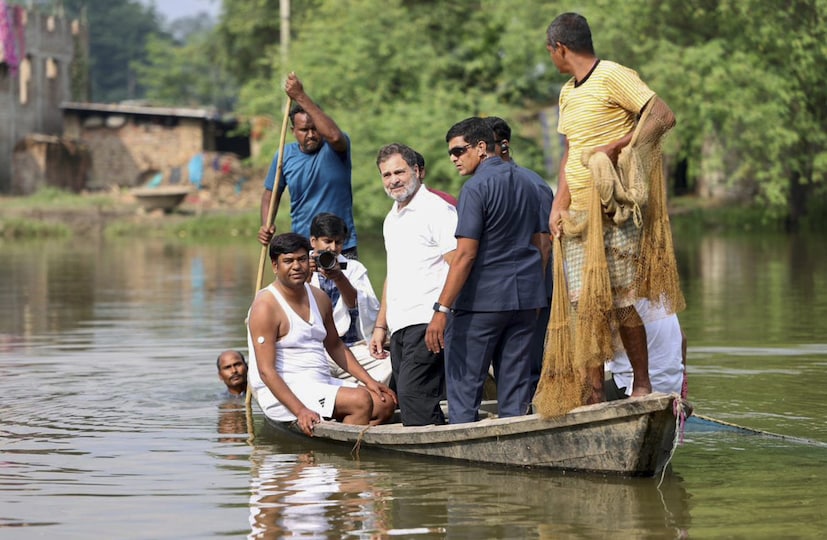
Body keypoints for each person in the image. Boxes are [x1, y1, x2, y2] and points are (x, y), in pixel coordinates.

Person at [545, 12, 677, 402]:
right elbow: (571, 152)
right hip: (579, 213)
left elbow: (662, 115)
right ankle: (592, 393)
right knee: (583, 304)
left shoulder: (614, 75)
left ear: (560, 49)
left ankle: (641, 383)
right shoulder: (568, 92)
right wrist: (559, 201)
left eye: (550, 52)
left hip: (613, 208)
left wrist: (616, 147)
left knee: (618, 300)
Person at [425, 117, 547, 424]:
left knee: (465, 386)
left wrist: (441, 309)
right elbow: (541, 245)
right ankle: (516, 452)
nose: (454, 158)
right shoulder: (529, 182)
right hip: (526, 301)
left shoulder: (475, 188)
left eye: (459, 150)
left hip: (482, 303)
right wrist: (533, 290)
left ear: (481, 147)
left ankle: (464, 457)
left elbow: (465, 255)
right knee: (516, 388)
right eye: (450, 153)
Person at [246, 233, 396, 436]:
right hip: (283, 391)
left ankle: (342, 437)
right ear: (275, 265)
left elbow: (335, 345)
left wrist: (371, 382)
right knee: (360, 401)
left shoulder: (319, 298)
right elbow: (266, 372)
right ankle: (346, 461)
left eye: (301, 259)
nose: (297, 267)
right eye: (288, 261)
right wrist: (300, 411)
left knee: (385, 404)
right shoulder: (265, 306)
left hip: (318, 382)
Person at [369, 143, 457, 426]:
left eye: (399, 172)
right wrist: (381, 326)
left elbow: (459, 263)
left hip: (428, 320)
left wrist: (442, 313)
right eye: (386, 174)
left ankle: (437, 465)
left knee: (414, 397)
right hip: (400, 325)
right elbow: (393, 275)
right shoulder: (391, 219)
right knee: (409, 400)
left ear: (417, 171)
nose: (393, 180)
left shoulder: (436, 210)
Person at [484, 116, 554, 396]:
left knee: (527, 368)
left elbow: (544, 244)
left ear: (503, 145)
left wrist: (534, 295)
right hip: (500, 295)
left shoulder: (530, 184)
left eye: (485, 145)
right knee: (506, 369)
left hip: (530, 294)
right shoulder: (485, 184)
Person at [258, 72, 358, 258]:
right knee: (307, 288)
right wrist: (266, 224)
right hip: (304, 247)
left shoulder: (337, 148)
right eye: (304, 130)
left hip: (341, 245)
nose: (311, 134)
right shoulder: (283, 155)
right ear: (293, 131)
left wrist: (300, 96)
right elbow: (270, 196)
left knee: (343, 287)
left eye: (315, 129)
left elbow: (335, 136)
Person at [308, 212, 392, 386]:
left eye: (338, 242)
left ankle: (363, 397)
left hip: (350, 347)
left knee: (388, 363)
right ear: (313, 241)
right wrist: (306, 276)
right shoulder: (299, 265)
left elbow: (357, 304)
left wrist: (339, 277)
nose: (332, 248)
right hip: (315, 348)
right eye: (327, 241)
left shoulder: (353, 268)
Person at [605, 298, 686, 399]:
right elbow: (682, 337)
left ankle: (641, 387)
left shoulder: (613, 296)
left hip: (632, 389)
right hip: (674, 388)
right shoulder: (662, 294)